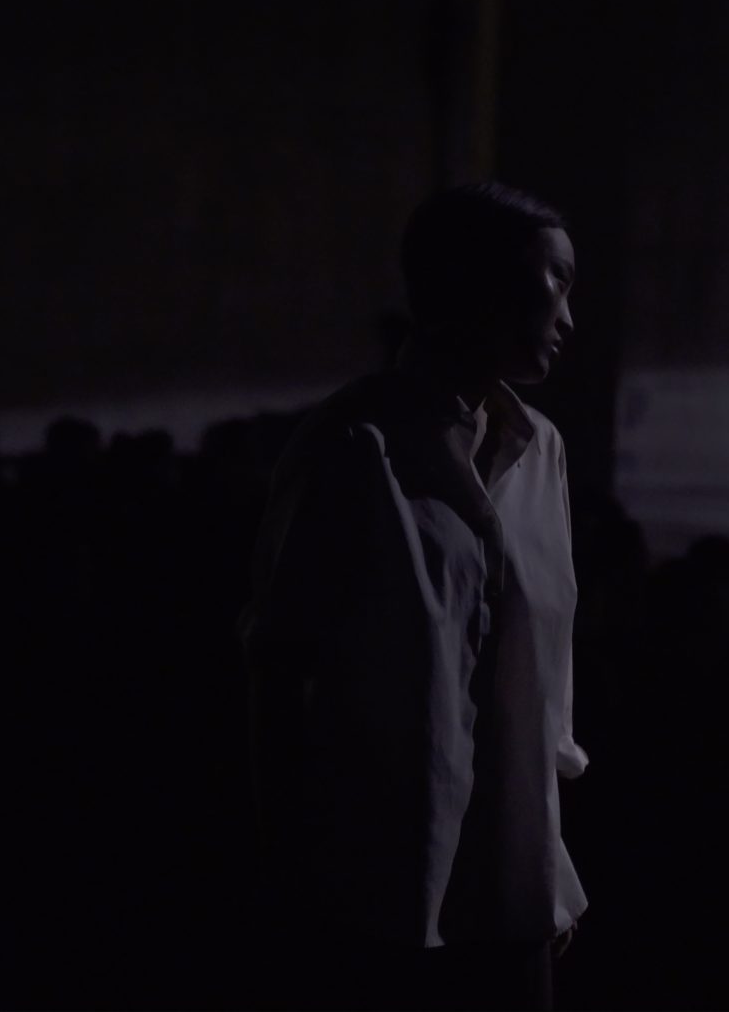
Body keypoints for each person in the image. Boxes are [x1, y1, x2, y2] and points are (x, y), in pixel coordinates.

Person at [239, 183, 585, 1010]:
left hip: (513, 888)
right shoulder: (353, 446)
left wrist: (550, 862)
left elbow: (541, 685)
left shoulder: (543, 452)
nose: (568, 317)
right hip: (377, 896)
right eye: (555, 283)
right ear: (475, 284)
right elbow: (280, 670)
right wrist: (288, 877)